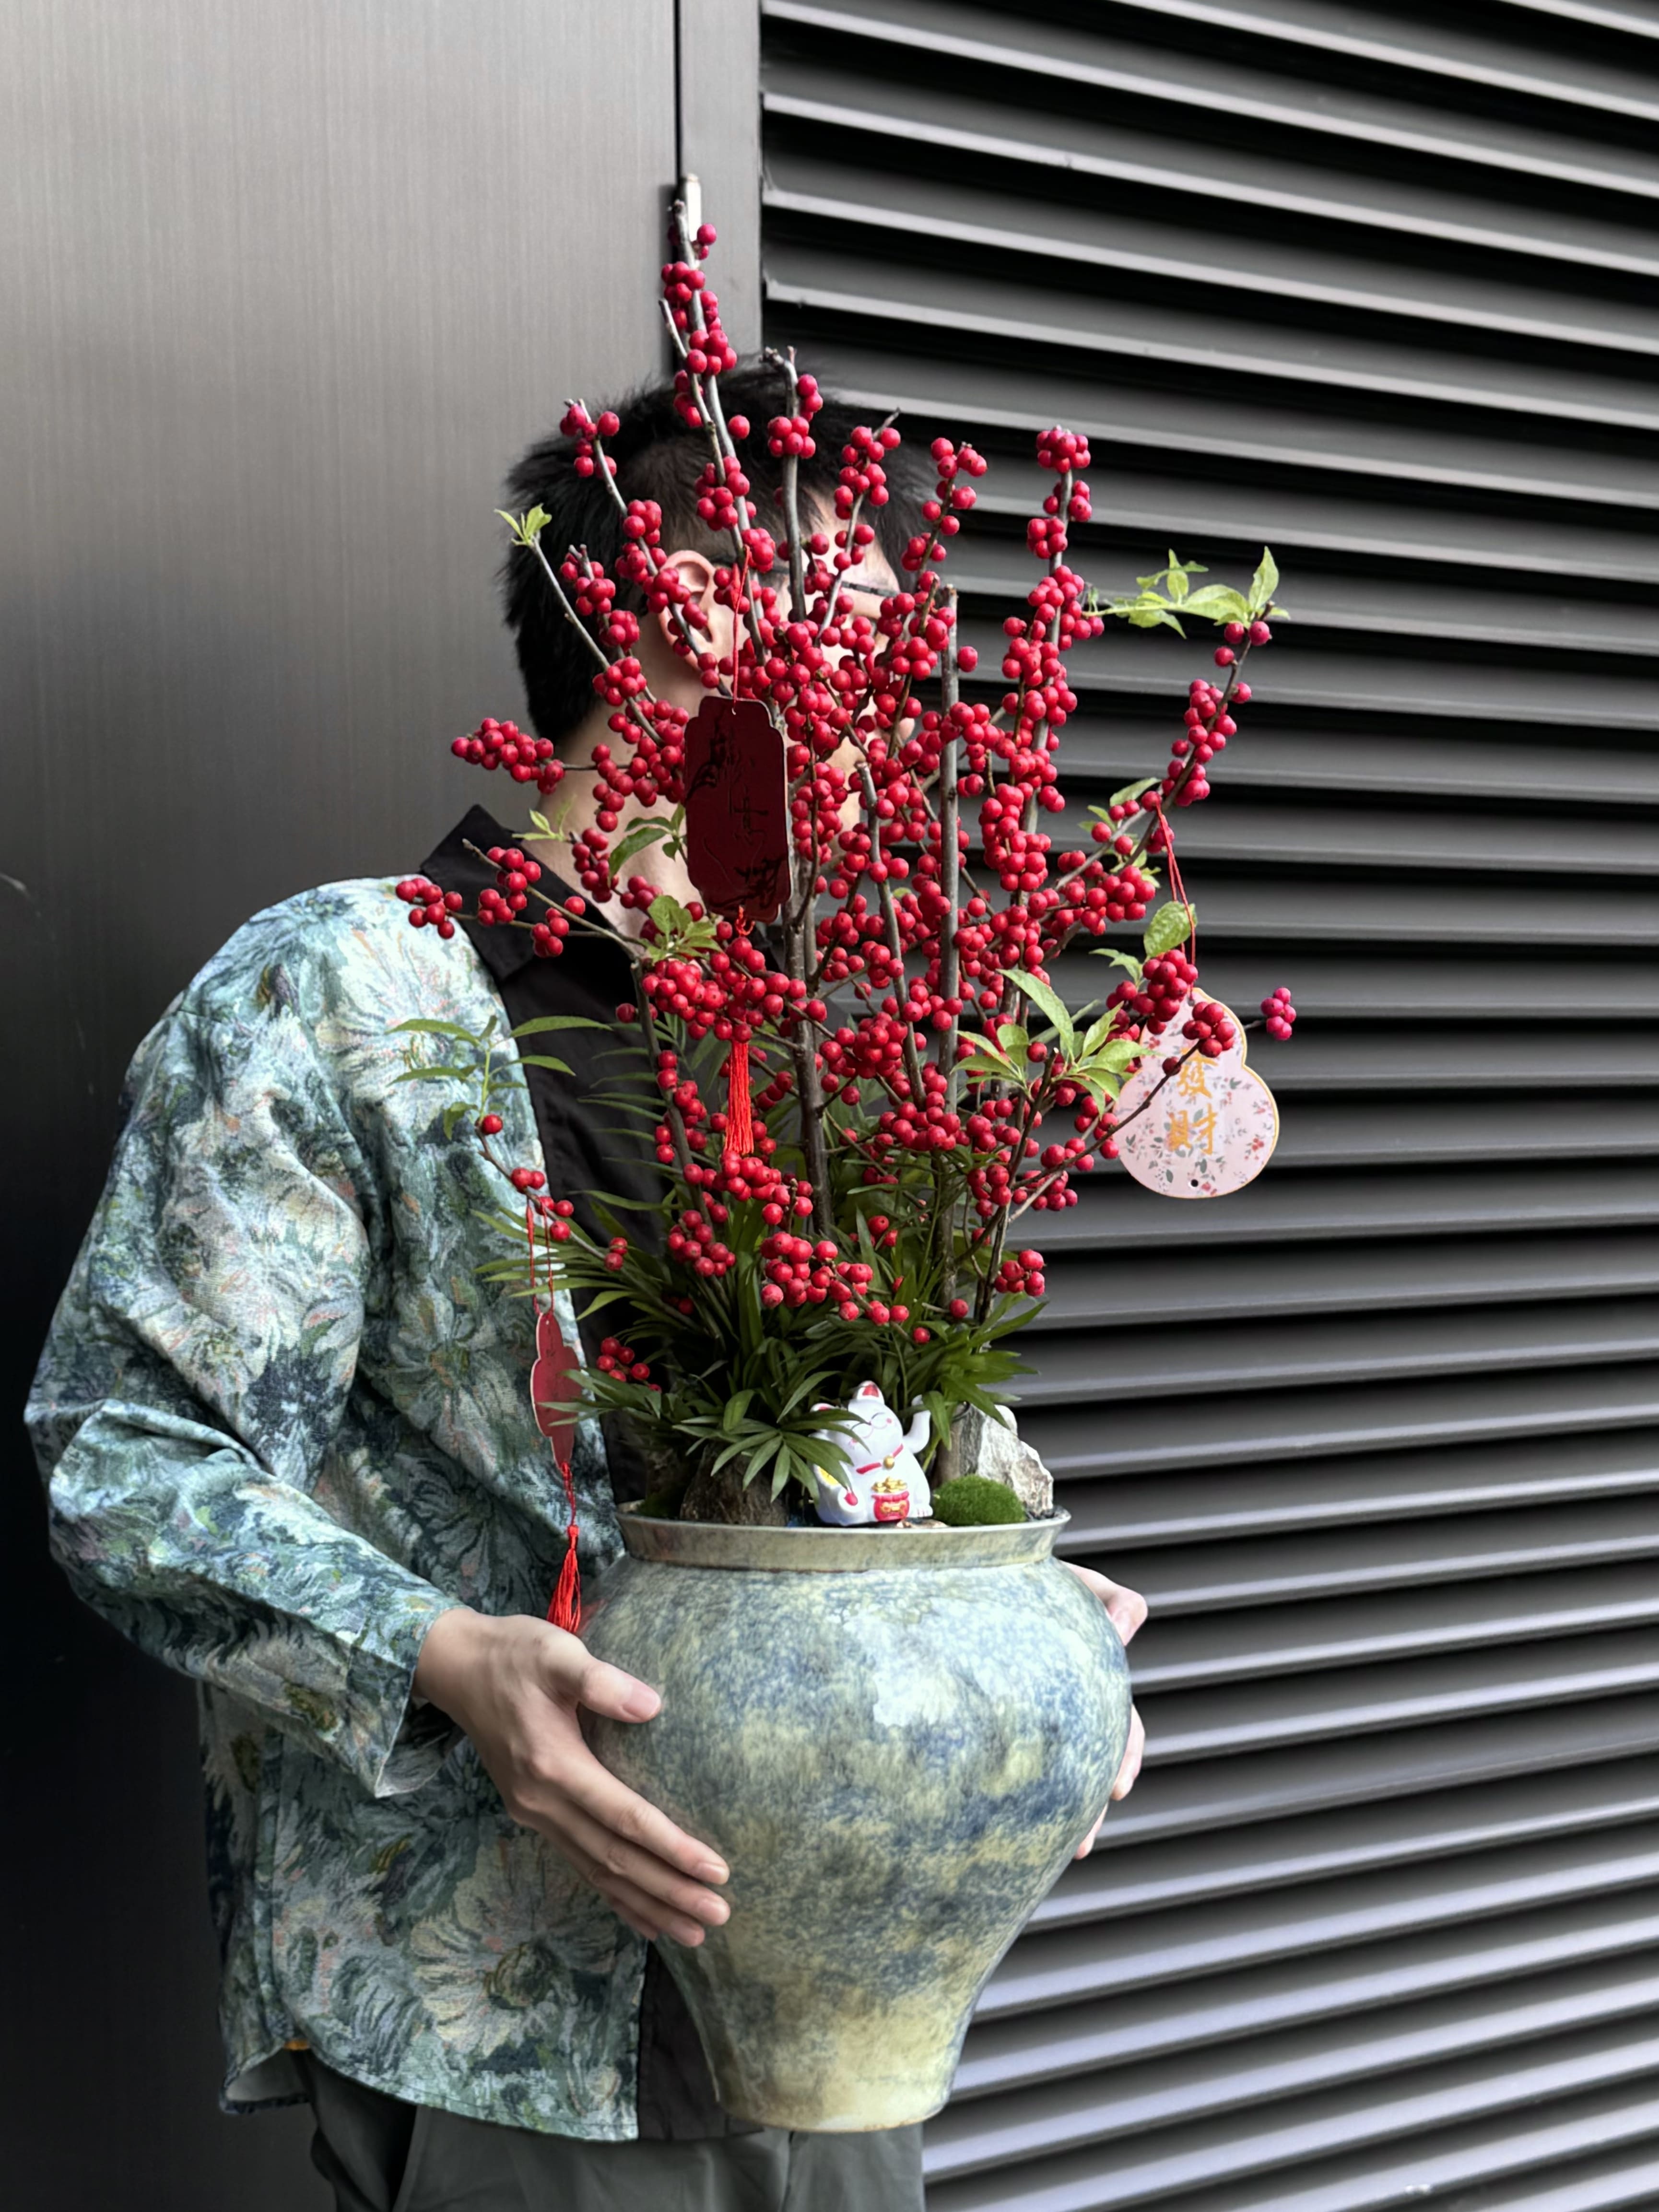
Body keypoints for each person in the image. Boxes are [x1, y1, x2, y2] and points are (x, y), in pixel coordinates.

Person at [26, 364, 1146, 2212]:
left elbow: (868, 1456)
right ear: (695, 605)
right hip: (511, 2040)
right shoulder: (350, 991)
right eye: (873, 635)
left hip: (839, 2008)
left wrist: (1011, 1608)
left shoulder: (811, 1038)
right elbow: (126, 1456)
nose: (910, 706)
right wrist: (444, 1660)